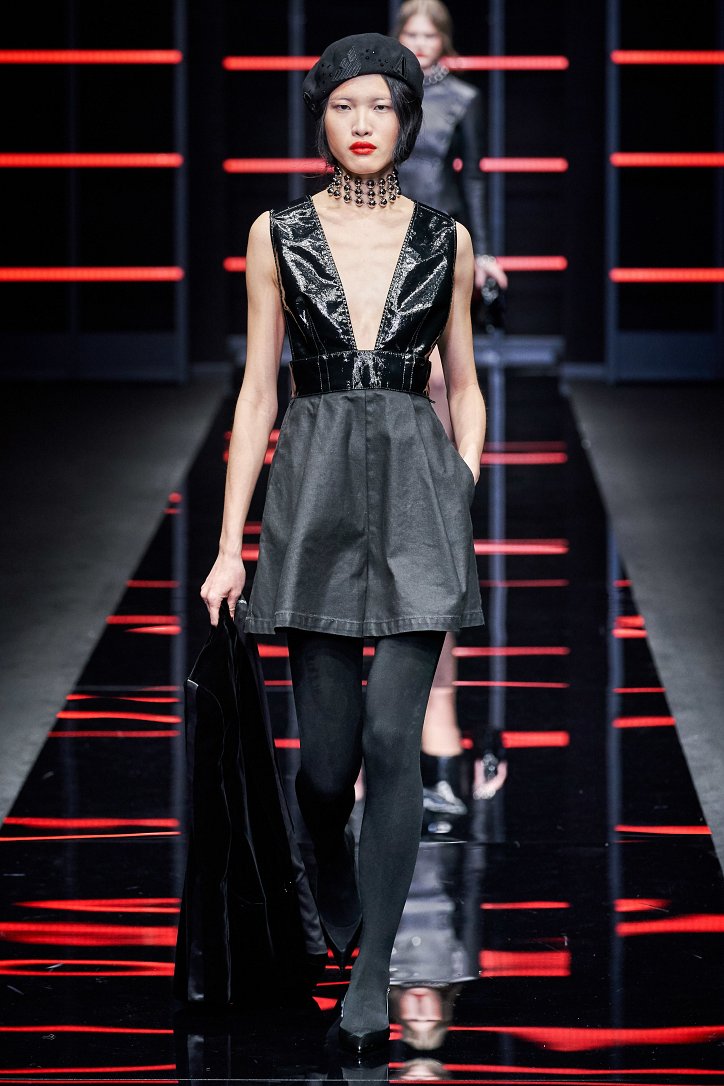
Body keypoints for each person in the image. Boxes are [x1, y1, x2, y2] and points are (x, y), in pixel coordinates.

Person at [200, 32, 486, 1056]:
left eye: (381, 105)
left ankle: (371, 979)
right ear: (320, 118)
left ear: (408, 119)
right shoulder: (275, 233)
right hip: (314, 492)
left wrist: (459, 481)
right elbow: (256, 393)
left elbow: (464, 382)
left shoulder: (445, 239)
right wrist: (228, 546)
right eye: (343, 105)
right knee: (324, 767)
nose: (363, 123)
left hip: (418, 502)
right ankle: (327, 849)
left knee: (391, 741)